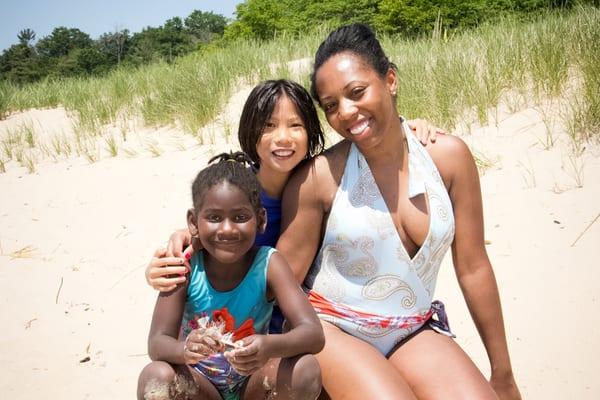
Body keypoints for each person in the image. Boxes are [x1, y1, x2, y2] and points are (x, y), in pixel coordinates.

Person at [276, 23, 521, 399]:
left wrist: (502, 373)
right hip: (331, 328)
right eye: (330, 106)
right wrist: (194, 244)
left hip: (411, 328)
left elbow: (473, 266)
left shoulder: (448, 159)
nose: (346, 112)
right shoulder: (320, 177)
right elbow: (279, 277)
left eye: (357, 92)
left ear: (390, 79)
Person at [145, 79, 443, 335]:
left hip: (300, 326)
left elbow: (371, 141)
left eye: (295, 125)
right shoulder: (237, 197)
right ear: (250, 132)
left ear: (311, 133)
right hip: (233, 329)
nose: (283, 138)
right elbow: (201, 240)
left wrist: (405, 128)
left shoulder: (325, 181)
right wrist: (168, 259)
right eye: (269, 126)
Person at [137, 152, 325, 400]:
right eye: (214, 218)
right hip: (200, 385)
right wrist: (185, 350)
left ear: (260, 220)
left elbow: (313, 334)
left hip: (254, 383)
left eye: (240, 217)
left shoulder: (269, 264)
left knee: (305, 369)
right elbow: (157, 343)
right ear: (193, 222)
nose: (227, 229)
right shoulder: (185, 265)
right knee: (156, 377)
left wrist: (268, 346)